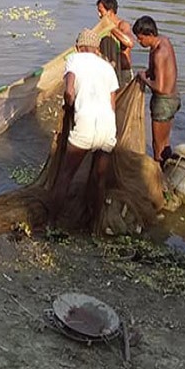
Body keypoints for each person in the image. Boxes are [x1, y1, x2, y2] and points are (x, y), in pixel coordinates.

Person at [50, 28, 119, 228]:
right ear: (96, 49)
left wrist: (69, 107)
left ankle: (51, 224)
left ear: (79, 47)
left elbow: (69, 92)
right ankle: (95, 224)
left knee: (66, 175)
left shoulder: (74, 59)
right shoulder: (108, 67)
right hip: (108, 127)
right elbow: (112, 104)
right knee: (99, 179)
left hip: (86, 125)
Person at [133, 15, 180, 164]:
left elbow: (159, 87)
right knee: (165, 143)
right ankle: (168, 174)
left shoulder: (159, 53)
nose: (139, 42)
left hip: (163, 101)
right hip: (173, 98)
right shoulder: (164, 41)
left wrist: (143, 78)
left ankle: (158, 179)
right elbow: (161, 72)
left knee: (158, 145)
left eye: (141, 39)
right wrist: (147, 73)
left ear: (150, 35)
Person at [96, 0, 134, 87]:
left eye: (101, 11)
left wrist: (111, 28)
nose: (99, 15)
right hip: (108, 72)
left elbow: (130, 42)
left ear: (110, 12)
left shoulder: (122, 25)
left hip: (123, 73)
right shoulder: (102, 28)